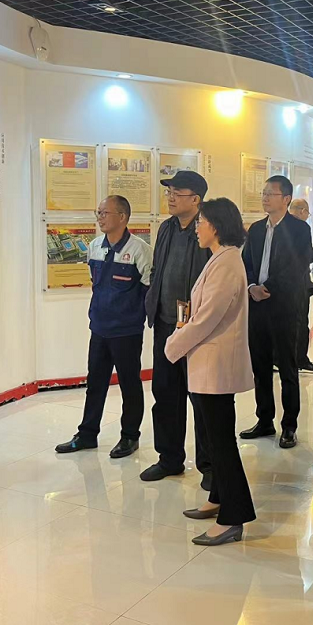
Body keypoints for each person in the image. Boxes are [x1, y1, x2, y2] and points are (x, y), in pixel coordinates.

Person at [165, 198, 256, 547]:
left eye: (201, 222)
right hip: (206, 364)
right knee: (212, 438)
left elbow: (206, 318)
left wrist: (173, 344)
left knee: (221, 442)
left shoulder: (227, 262)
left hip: (216, 366)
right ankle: (218, 497)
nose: (197, 229)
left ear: (216, 226)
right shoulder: (219, 259)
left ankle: (234, 516)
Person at [55, 195, 152, 459]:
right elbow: (96, 284)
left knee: (129, 385)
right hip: (99, 328)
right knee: (95, 383)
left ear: (122, 217)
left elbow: (148, 290)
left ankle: (130, 436)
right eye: (98, 212)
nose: (99, 218)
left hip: (127, 331)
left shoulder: (140, 250)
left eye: (105, 213)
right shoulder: (95, 246)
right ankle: (87, 434)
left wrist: (139, 318)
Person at [141, 171, 213, 486]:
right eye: (168, 191)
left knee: (202, 398)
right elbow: (157, 268)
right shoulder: (167, 227)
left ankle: (210, 466)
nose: (170, 197)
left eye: (176, 192)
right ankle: (169, 459)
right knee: (166, 393)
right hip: (166, 324)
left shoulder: (209, 228)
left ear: (195, 199)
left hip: (196, 327)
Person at [241, 175, 313, 449]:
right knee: (260, 367)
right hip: (257, 305)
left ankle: (289, 426)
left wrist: (268, 287)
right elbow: (246, 262)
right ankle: (264, 420)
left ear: (286, 199)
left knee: (287, 368)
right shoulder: (256, 229)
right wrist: (252, 286)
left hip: (284, 306)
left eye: (270, 194)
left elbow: (297, 265)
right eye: (263, 193)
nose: (264, 198)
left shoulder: (299, 229)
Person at [290, 198, 313, 374]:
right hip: (298, 283)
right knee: (301, 322)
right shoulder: (302, 227)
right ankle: (300, 360)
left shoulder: (278, 226)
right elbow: (308, 255)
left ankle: (279, 359)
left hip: (278, 286)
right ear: (302, 211)